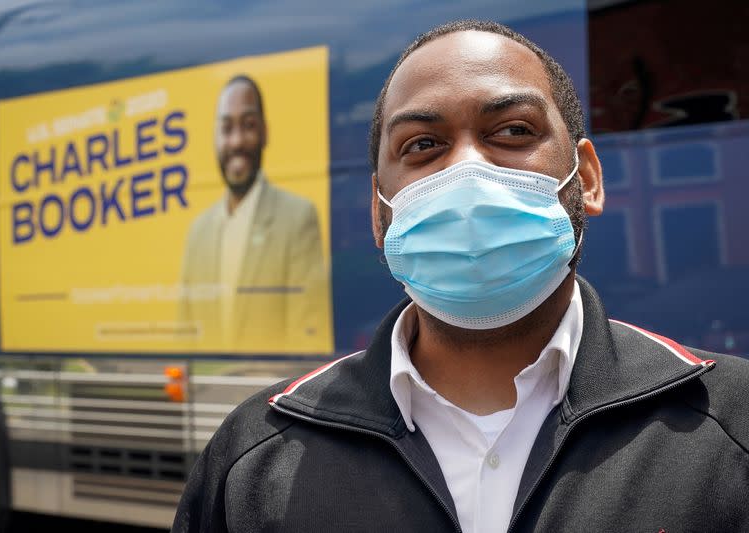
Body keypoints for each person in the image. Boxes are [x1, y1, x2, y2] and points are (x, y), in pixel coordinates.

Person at [173, 21, 749, 532]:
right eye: (423, 145)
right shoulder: (254, 460)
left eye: (514, 131)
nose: (466, 172)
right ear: (379, 213)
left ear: (588, 178)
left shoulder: (731, 423)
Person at [179, 75, 329, 352]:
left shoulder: (297, 218)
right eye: (226, 128)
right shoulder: (197, 232)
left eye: (248, 126)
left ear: (265, 132)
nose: (236, 141)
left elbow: (308, 334)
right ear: (215, 138)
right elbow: (186, 337)